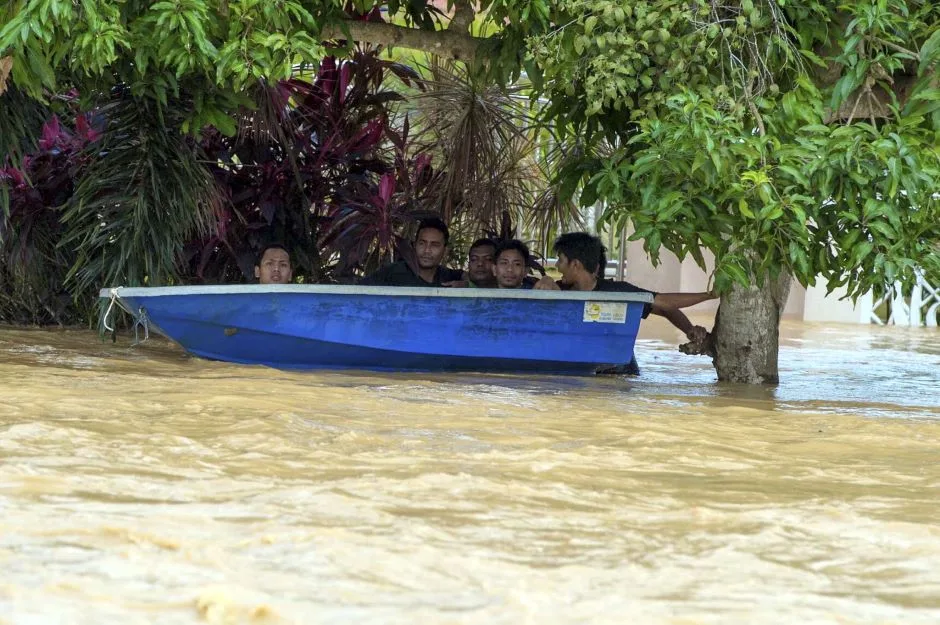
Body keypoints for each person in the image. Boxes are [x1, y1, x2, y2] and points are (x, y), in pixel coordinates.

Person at [534, 232, 708, 341]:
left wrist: (690, 328)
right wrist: (546, 284)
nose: (557, 266)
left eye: (560, 260)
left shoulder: (617, 292)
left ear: (575, 264)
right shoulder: (557, 289)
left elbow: (664, 305)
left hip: (617, 370)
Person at [360, 217, 463, 287]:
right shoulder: (393, 273)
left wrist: (465, 284)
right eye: (422, 243)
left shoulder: (447, 277)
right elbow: (358, 291)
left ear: (445, 250)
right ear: (414, 245)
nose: (427, 250)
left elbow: (467, 276)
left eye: (434, 245)